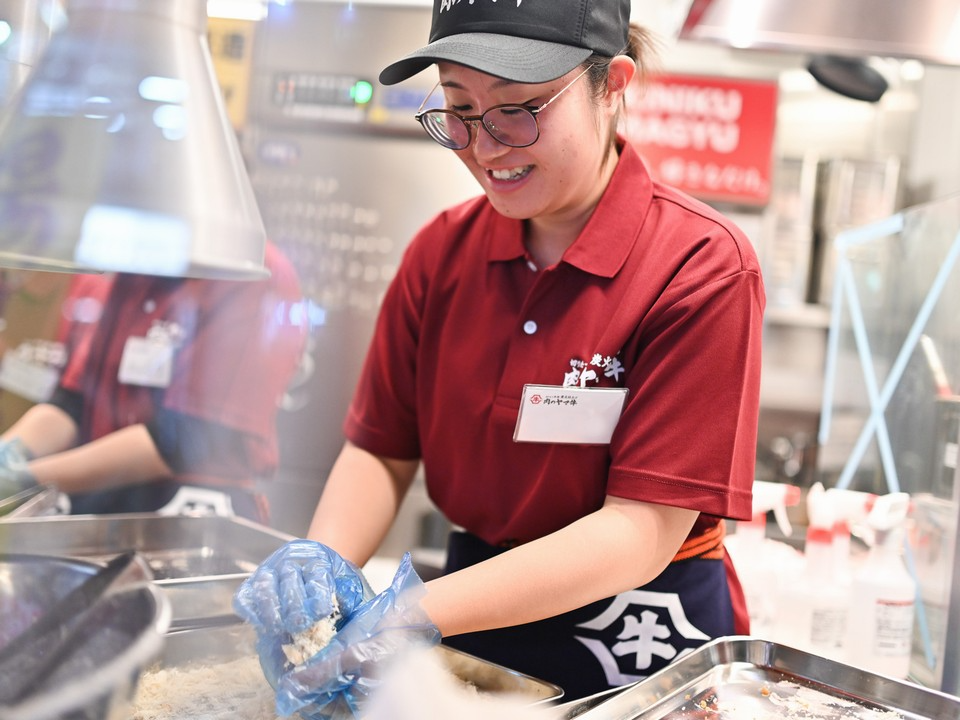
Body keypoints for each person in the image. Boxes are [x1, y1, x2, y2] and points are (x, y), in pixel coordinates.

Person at [234, 0, 765, 712]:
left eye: (517, 109)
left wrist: (411, 613)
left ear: (613, 85)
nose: (484, 147)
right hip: (472, 626)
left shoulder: (700, 267)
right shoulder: (440, 255)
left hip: (635, 640)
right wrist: (324, 568)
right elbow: (381, 452)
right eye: (458, 109)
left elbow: (639, 531)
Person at [0, 241, 307, 522]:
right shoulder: (141, 260)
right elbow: (75, 401)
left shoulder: (251, 272)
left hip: (190, 521)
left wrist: (26, 478)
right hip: (105, 506)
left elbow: (187, 437)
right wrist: (9, 451)